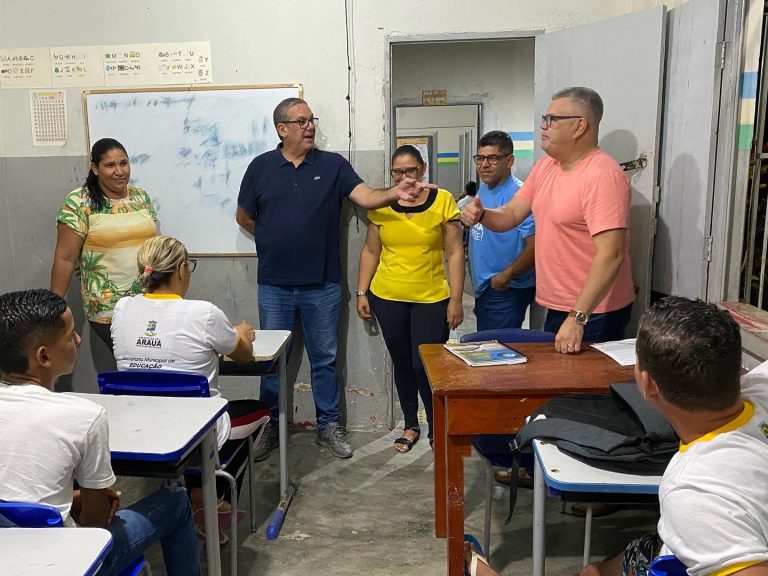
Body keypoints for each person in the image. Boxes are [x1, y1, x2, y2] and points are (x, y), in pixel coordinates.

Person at [236, 97, 434, 460]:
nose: (310, 126)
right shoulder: (260, 167)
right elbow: (244, 216)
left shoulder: (332, 166)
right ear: (282, 129)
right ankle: (270, 425)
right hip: (274, 285)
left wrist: (395, 191)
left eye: (312, 119)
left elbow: (366, 197)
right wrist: (271, 240)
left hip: (323, 285)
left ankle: (328, 424)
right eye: (301, 121)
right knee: (271, 359)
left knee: (325, 359)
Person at [0, 288, 200, 576]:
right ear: (44, 356)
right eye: (70, 335)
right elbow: (94, 524)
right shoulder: (84, 417)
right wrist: (94, 501)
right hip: (68, 564)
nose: (78, 339)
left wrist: (71, 500)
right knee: (176, 502)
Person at [579, 296, 768, 576]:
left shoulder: (693, 492)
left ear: (648, 384)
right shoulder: (761, 385)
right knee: (600, 569)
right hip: (703, 541)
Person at [111, 235, 268, 543]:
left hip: (137, 427)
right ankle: (211, 497)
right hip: (195, 428)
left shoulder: (122, 308)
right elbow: (244, 355)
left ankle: (195, 493)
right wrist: (240, 333)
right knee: (259, 411)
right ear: (182, 269)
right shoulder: (203, 313)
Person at [462, 87, 634, 353]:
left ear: (579, 126)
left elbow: (611, 254)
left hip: (594, 312)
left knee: (581, 380)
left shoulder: (602, 176)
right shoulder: (546, 167)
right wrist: (482, 214)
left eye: (552, 119)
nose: (543, 126)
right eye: (545, 118)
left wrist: (578, 317)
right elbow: (511, 214)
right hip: (559, 305)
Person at [356, 145, 464, 452]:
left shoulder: (442, 201)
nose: (404, 177)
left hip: (431, 298)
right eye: (398, 172)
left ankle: (436, 425)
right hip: (387, 296)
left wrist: (456, 299)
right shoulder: (382, 204)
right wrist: (362, 291)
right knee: (402, 363)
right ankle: (410, 424)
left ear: (423, 169)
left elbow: (455, 252)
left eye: (411, 170)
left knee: (424, 366)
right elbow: (371, 251)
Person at [50, 138, 158, 350]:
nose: (119, 171)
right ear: (95, 168)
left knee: (147, 362)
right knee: (133, 360)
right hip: (108, 308)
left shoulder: (140, 197)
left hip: (147, 300)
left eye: (124, 163)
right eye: (110, 165)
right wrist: (54, 310)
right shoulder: (79, 202)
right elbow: (64, 259)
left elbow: (153, 245)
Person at [468, 131, 535, 331]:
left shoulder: (519, 194)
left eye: (493, 158)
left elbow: (535, 246)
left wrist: (506, 276)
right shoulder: (484, 188)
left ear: (509, 161)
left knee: (497, 346)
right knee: (487, 342)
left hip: (505, 289)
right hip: (486, 288)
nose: (484, 164)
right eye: (480, 158)